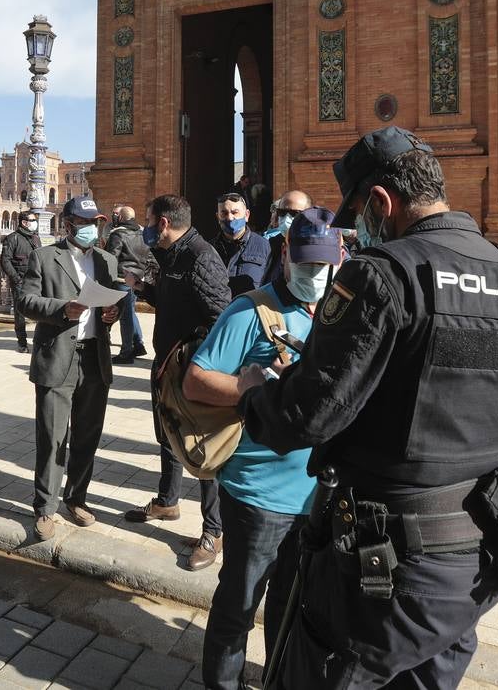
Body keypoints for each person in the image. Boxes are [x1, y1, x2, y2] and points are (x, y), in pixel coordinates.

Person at [236, 127, 498, 686]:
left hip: (388, 564)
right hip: (481, 547)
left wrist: (257, 392)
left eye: (357, 211)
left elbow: (311, 413)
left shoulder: (384, 272)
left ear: (381, 201)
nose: (358, 227)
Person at [186, 206, 341, 690]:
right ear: (285, 254)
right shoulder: (250, 310)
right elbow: (196, 379)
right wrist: (246, 388)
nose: (315, 275)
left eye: (324, 265)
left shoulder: (345, 312)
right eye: (306, 263)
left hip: (319, 498)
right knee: (238, 605)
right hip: (257, 494)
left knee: (293, 609)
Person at [124, 194, 231, 571]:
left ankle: (214, 530)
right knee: (167, 435)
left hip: (192, 369)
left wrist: (201, 365)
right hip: (166, 363)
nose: (146, 229)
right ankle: (167, 502)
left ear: (164, 224)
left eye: (149, 221)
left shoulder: (200, 256)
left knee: (202, 450)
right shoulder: (171, 255)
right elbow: (175, 302)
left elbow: (221, 316)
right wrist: (144, 289)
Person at [18, 196, 123, 540]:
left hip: (94, 356)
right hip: (57, 356)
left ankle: (76, 497)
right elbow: (25, 301)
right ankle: (45, 508)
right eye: (84, 222)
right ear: (67, 225)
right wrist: (64, 309)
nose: (92, 229)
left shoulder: (107, 259)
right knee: (52, 437)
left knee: (87, 435)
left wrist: (112, 314)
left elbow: (114, 298)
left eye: (96, 222)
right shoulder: (45, 257)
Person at [104, 204, 149, 364]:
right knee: (130, 312)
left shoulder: (118, 234)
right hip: (137, 279)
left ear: (121, 218)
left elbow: (111, 257)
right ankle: (138, 345)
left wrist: (105, 278)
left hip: (122, 278)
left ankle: (126, 352)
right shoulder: (143, 233)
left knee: (125, 316)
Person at [212, 191, 271, 298]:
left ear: (246, 215)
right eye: (224, 213)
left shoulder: (264, 246)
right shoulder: (209, 250)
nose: (230, 218)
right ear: (217, 217)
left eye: (235, 212)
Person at [0, 210, 42, 352]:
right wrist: (16, 278)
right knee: (20, 313)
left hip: (36, 280)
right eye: (32, 220)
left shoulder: (36, 238)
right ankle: (22, 342)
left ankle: (39, 340)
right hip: (20, 280)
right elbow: (5, 261)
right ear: (24, 223)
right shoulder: (13, 238)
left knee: (40, 310)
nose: (35, 223)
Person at [261, 189, 311, 285]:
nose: (287, 218)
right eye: (282, 213)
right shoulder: (273, 245)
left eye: (295, 213)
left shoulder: (319, 248)